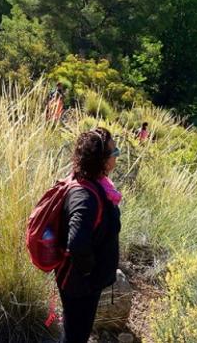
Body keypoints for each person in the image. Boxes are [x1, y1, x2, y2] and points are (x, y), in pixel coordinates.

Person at [56, 128, 122, 343]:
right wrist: (89, 274)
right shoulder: (85, 197)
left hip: (83, 282)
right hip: (80, 285)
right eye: (114, 152)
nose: (117, 154)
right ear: (101, 160)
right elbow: (77, 244)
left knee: (75, 330)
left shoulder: (96, 184)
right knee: (76, 336)